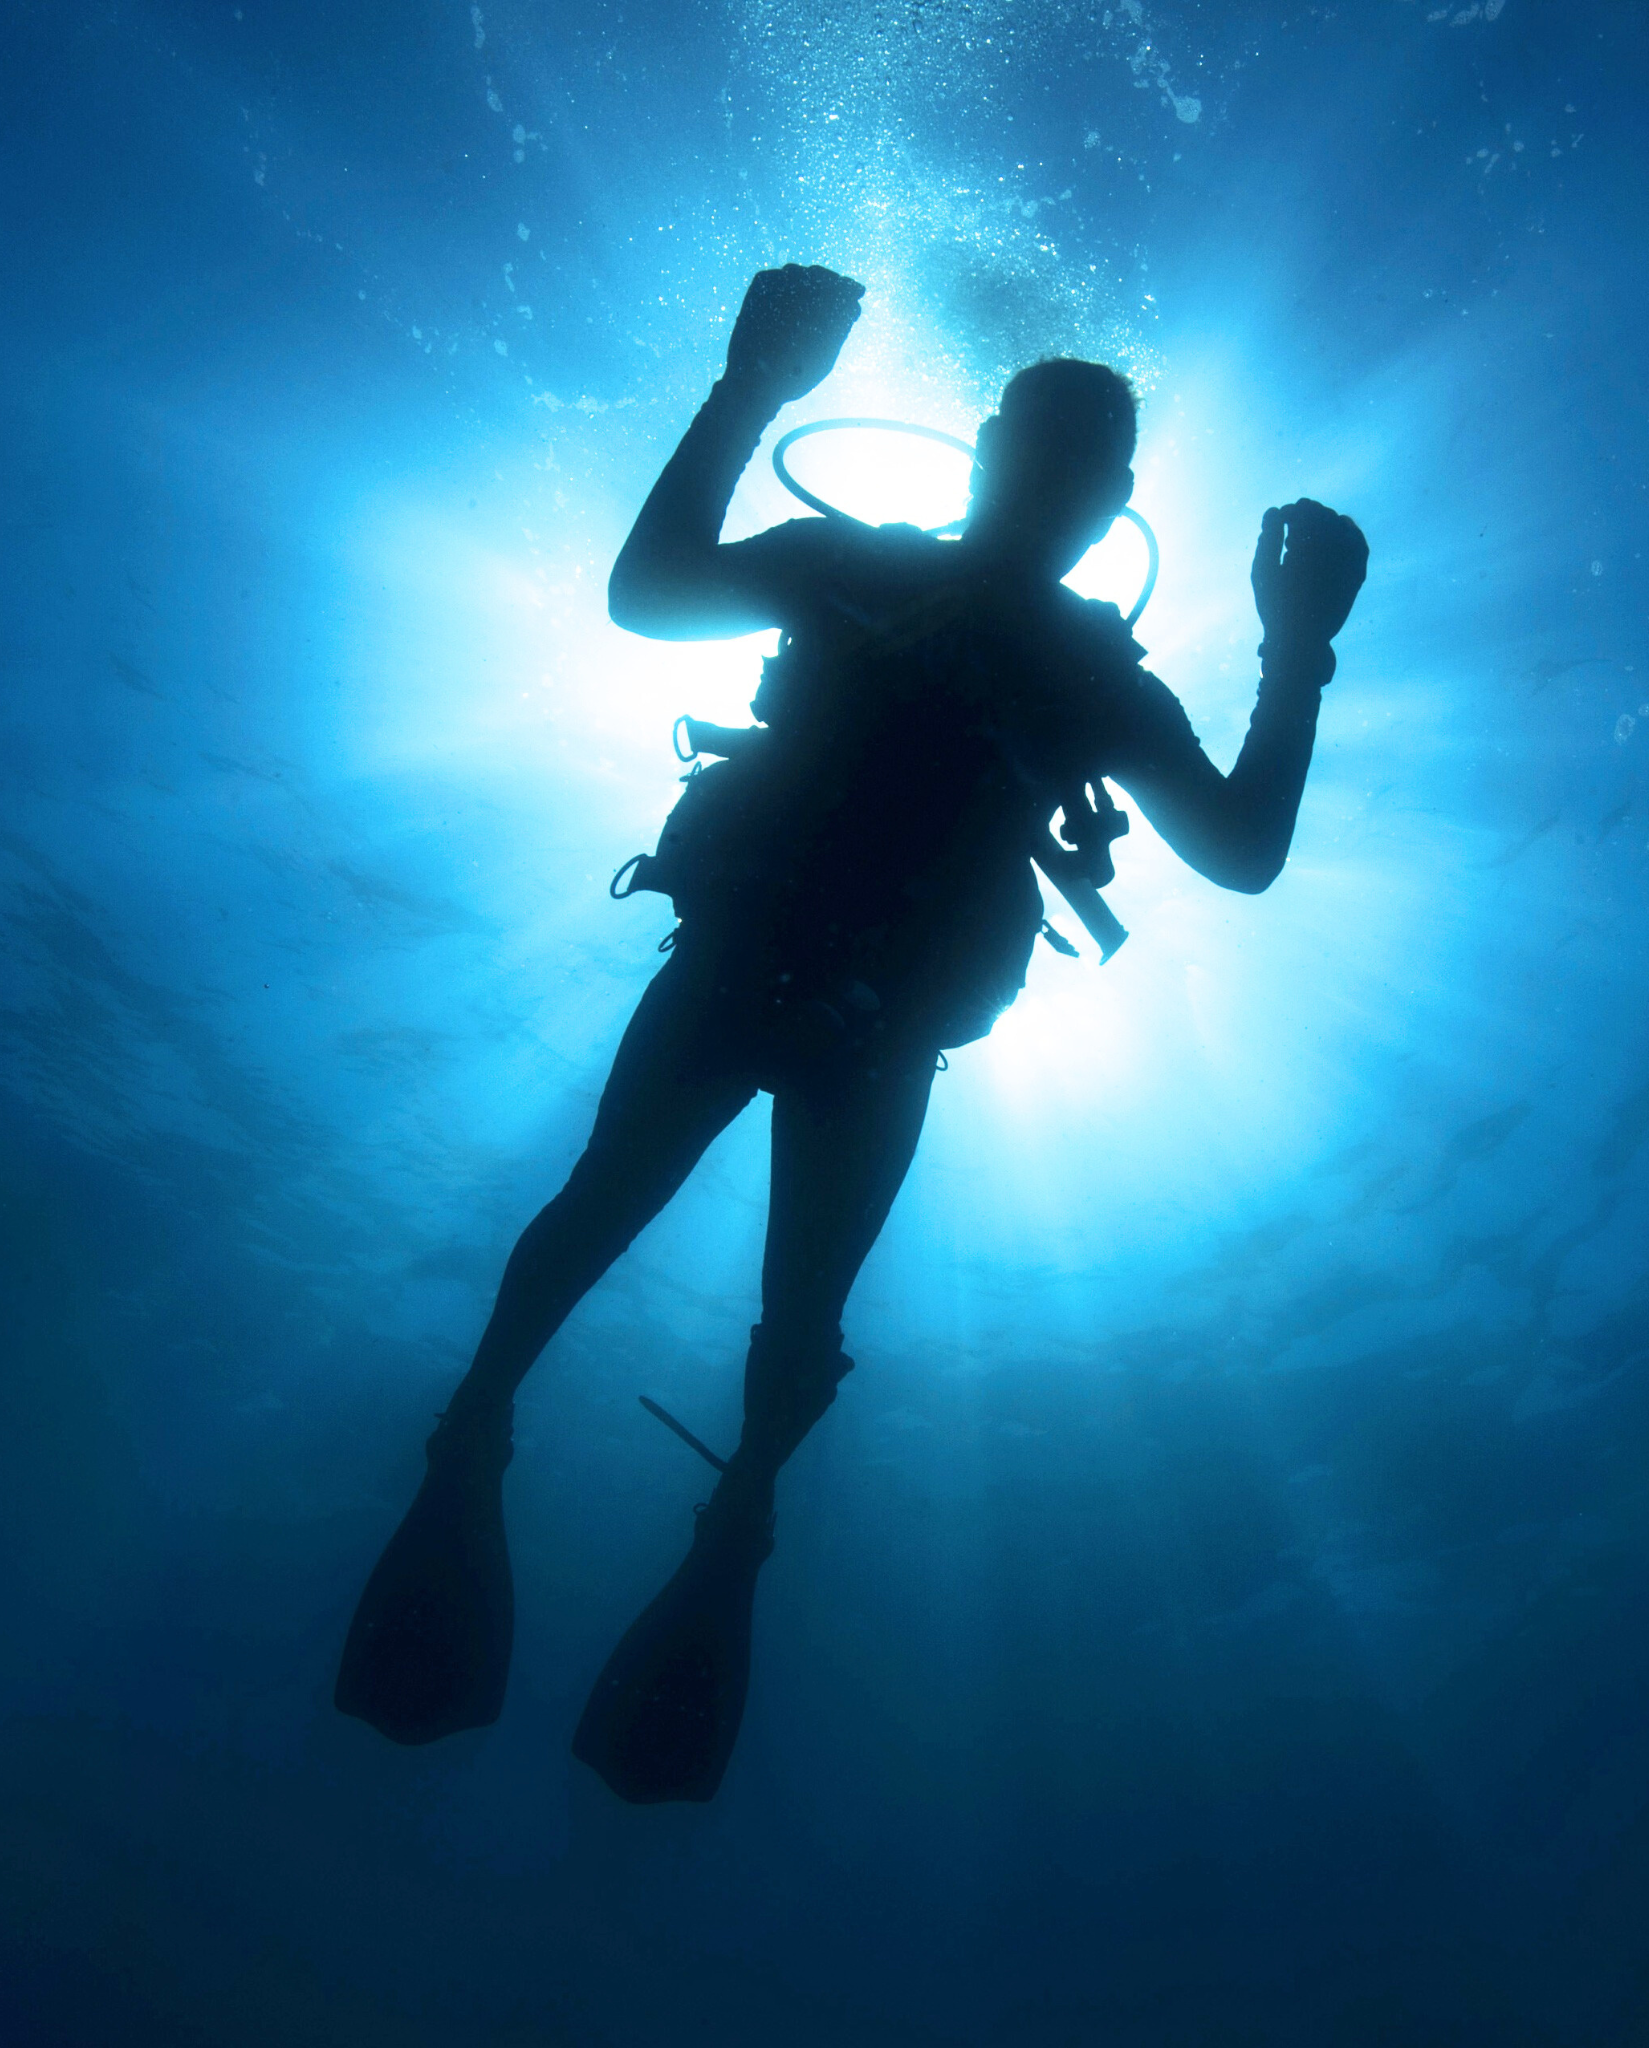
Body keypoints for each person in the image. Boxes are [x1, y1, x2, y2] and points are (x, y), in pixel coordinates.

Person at [336, 264, 1368, 1801]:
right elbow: (649, 597)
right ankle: (491, 1432)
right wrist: (746, 387)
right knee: (612, 1217)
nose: (1054, 479)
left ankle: (726, 1511)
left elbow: (1239, 853)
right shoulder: (880, 575)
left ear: (1111, 499)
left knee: (764, 1303)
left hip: (872, 1033)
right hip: (763, 972)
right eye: (1040, 442)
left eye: (1080, 461)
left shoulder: (1079, 666)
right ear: (996, 451)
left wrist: (1297, 648)